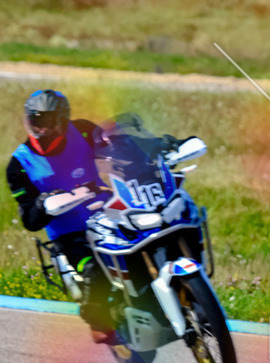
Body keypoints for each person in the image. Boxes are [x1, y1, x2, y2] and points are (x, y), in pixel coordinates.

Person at [5, 90, 192, 344]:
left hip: (109, 212)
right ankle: (95, 315)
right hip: (69, 234)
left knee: (151, 239)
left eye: (49, 122)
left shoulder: (82, 131)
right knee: (94, 270)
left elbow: (123, 148)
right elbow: (29, 219)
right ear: (28, 120)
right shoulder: (19, 164)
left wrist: (160, 147)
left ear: (63, 120)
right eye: (36, 121)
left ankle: (177, 298)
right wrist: (44, 203)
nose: (42, 129)